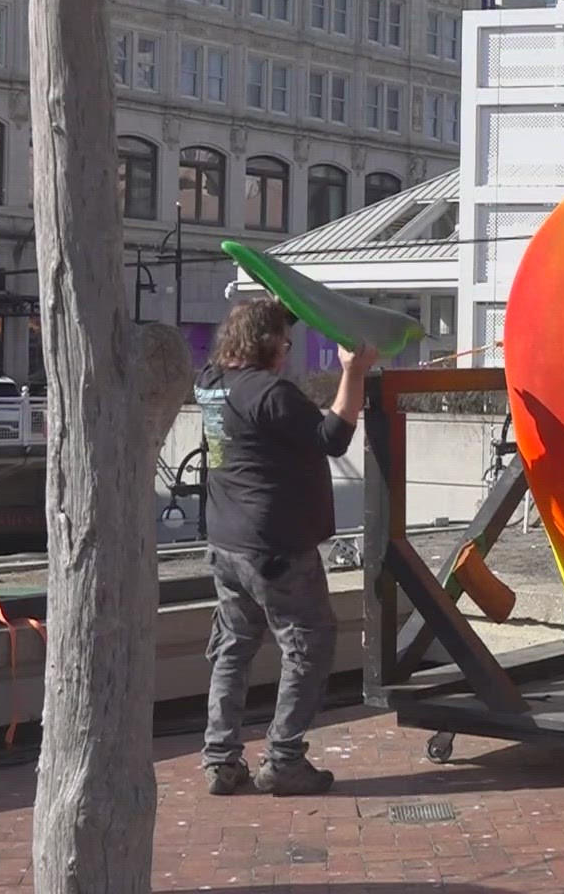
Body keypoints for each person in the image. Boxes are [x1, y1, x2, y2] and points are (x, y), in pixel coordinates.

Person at [193, 297, 378, 796]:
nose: (289, 349)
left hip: (227, 542)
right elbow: (333, 436)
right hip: (276, 547)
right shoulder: (271, 393)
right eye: (284, 340)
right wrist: (353, 372)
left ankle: (221, 760)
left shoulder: (210, 383)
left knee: (233, 647)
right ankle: (285, 759)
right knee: (309, 646)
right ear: (267, 344)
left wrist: (288, 300)